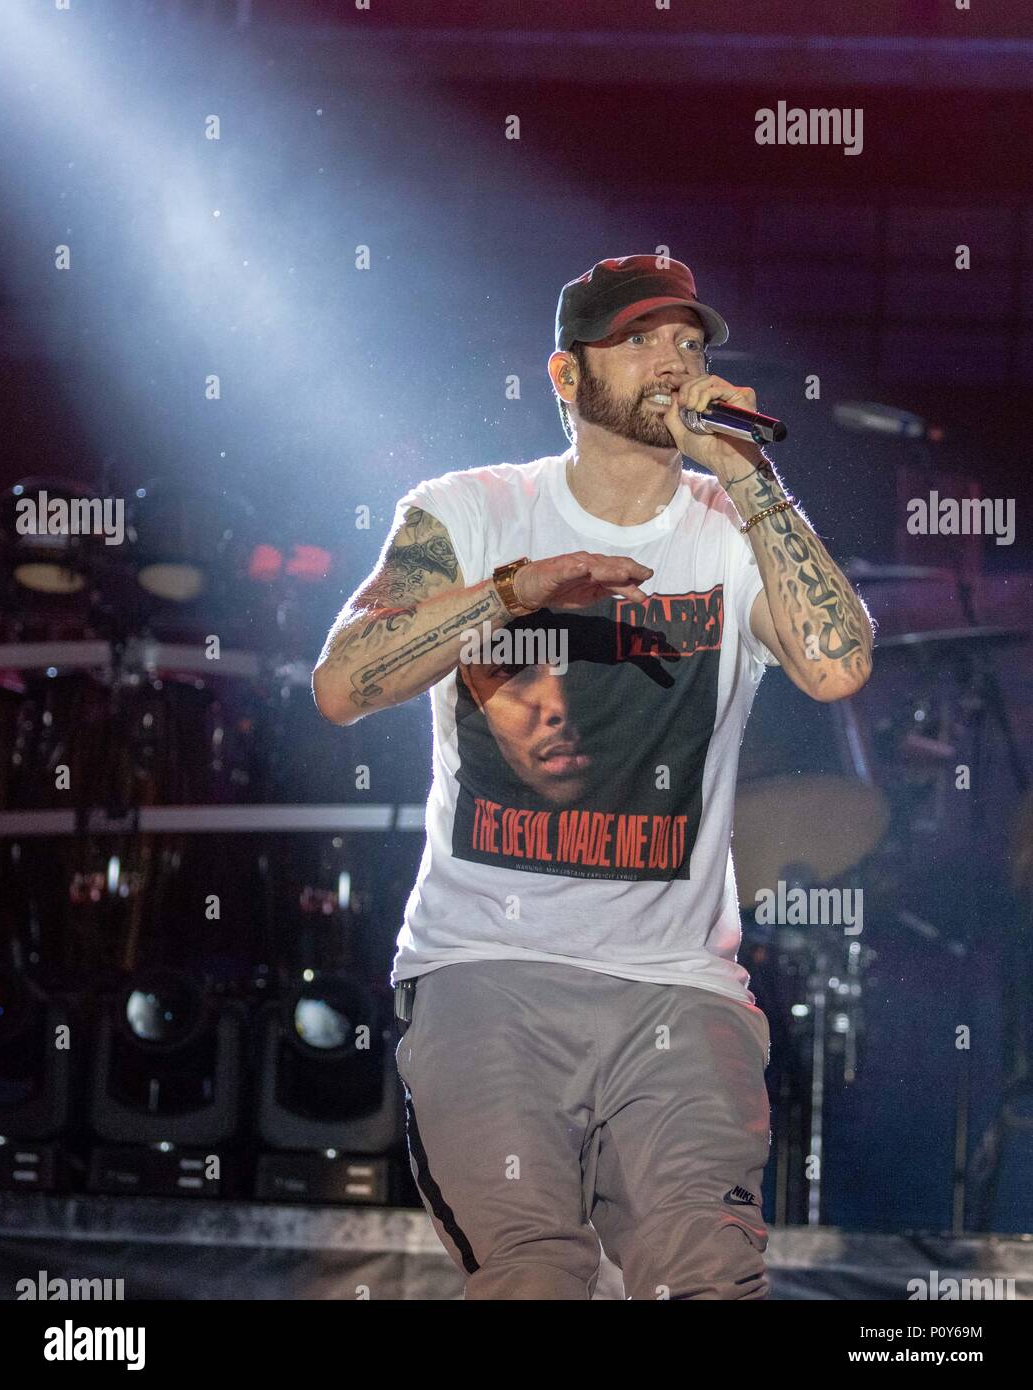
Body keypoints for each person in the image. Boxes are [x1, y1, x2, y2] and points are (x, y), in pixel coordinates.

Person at [312, 254, 873, 1299]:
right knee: (533, 1275)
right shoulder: (469, 511)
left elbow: (836, 664)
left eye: (689, 342)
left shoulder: (729, 527)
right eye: (641, 340)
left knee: (708, 1274)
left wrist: (751, 474)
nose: (674, 360)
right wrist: (511, 592)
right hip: (484, 971)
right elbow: (344, 683)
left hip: (676, 987)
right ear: (567, 378)